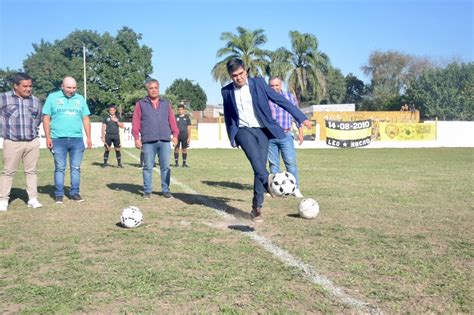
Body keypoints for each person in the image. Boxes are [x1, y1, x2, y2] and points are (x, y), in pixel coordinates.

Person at [221, 58, 311, 222]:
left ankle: (257, 207)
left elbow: (281, 100)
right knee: (255, 161)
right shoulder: (226, 91)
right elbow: (228, 115)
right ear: (230, 76)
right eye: (234, 75)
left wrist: (301, 117)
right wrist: (232, 136)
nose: (239, 78)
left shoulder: (259, 83)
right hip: (243, 130)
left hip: (262, 130)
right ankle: (272, 183)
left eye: (241, 73)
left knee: (260, 168)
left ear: (246, 71)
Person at [42, 76, 92, 204]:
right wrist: (48, 137)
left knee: (75, 168)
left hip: (77, 139)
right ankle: (59, 194)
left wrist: (89, 137)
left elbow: (85, 118)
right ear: (62, 86)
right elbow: (46, 118)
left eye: (74, 87)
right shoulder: (52, 98)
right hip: (58, 139)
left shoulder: (80, 99)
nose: (72, 90)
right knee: (60, 167)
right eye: (69, 87)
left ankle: (75, 192)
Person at [0, 73, 43, 211]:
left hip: (32, 142)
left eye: (30, 86)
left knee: (31, 171)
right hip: (12, 142)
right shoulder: (3, 98)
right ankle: (3, 200)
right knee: (8, 172)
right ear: (16, 86)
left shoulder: (36, 101)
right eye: (25, 86)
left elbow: (38, 119)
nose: (28, 89)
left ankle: (32, 199)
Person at [132, 79, 178, 199]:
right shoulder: (140, 104)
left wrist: (175, 135)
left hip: (164, 140)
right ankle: (147, 191)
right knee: (147, 167)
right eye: (151, 88)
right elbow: (136, 121)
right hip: (148, 140)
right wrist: (136, 138)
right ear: (147, 90)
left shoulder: (166, 103)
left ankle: (166, 190)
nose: (154, 90)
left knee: (166, 167)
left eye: (156, 88)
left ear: (158, 88)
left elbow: (172, 120)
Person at [267, 77, 304, 198]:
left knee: (291, 163)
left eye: (276, 85)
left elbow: (296, 112)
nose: (274, 88)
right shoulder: (265, 98)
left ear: (281, 85)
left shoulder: (289, 97)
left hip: (286, 135)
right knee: (273, 165)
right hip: (270, 136)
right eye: (271, 86)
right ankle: (274, 190)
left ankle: (295, 188)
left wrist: (301, 131)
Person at [101, 104, 125, 168]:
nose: (112, 111)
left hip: (116, 135)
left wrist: (117, 121)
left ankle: (119, 164)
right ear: (109, 111)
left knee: (117, 149)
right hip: (108, 135)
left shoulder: (118, 117)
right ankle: (105, 164)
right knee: (107, 149)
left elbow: (122, 126)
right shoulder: (106, 118)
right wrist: (102, 136)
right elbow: (103, 128)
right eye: (110, 110)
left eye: (113, 110)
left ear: (115, 111)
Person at [174, 102, 192, 167]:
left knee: (184, 149)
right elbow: (173, 126)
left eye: (181, 109)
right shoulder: (175, 117)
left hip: (184, 136)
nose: (180, 111)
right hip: (177, 136)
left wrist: (189, 137)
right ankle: (176, 163)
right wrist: (173, 136)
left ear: (184, 110)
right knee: (176, 149)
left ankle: (184, 163)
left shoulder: (187, 117)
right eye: (179, 109)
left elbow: (189, 128)